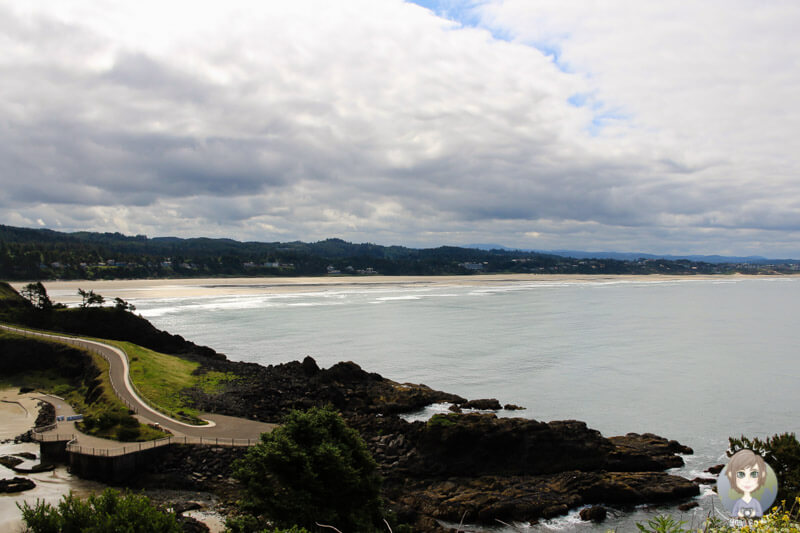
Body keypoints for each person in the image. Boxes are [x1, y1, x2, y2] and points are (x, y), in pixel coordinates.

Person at [726, 449, 767, 518]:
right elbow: (734, 515)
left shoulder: (755, 502)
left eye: (754, 474)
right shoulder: (739, 503)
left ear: (762, 475)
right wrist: (739, 514)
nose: (747, 480)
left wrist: (754, 514)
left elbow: (760, 514)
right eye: (741, 474)